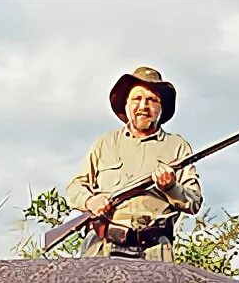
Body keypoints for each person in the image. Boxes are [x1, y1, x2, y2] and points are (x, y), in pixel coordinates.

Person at [65, 66, 203, 262]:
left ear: (161, 107)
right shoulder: (105, 143)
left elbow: (194, 202)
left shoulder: (177, 147)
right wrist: (90, 201)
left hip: (153, 252)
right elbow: (75, 187)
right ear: (127, 104)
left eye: (152, 100)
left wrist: (170, 187)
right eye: (137, 99)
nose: (144, 106)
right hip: (102, 248)